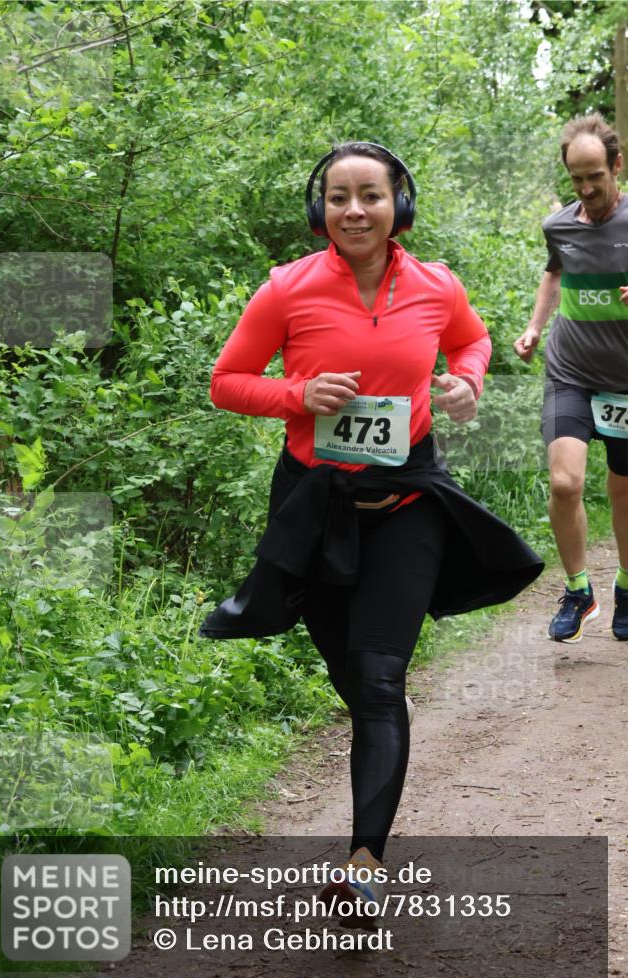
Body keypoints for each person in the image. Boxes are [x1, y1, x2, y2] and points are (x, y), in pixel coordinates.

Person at [201, 142, 543, 925]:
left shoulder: (433, 284)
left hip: (407, 509)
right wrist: (296, 393)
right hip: (318, 513)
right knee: (356, 687)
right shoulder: (285, 289)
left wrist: (466, 383)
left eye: (370, 196)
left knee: (381, 679)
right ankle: (366, 844)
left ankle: (363, 868)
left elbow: (472, 339)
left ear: (399, 204)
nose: (353, 210)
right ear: (319, 207)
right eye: (337, 197)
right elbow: (226, 381)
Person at [514, 114, 628, 643]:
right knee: (565, 481)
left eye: (595, 177)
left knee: (624, 490)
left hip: (626, 381)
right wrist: (536, 326)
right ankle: (580, 592)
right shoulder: (559, 224)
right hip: (572, 370)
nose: (586, 189)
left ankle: (626, 586)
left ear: (617, 167)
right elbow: (554, 271)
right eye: (576, 178)